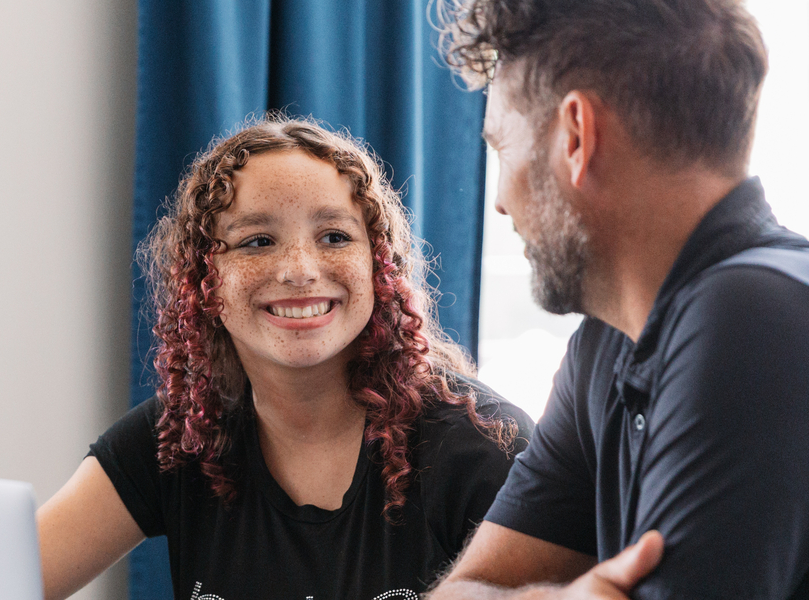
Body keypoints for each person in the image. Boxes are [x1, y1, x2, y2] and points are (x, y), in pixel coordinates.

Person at [425, 0, 809, 599]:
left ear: (576, 137)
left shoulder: (763, 321)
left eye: (501, 149)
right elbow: (464, 592)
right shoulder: (610, 343)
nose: (501, 200)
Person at [35, 118, 533, 600]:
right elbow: (0, 581)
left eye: (335, 237)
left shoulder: (483, 449)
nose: (299, 270)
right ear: (203, 282)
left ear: (380, 264)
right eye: (257, 242)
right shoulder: (181, 435)